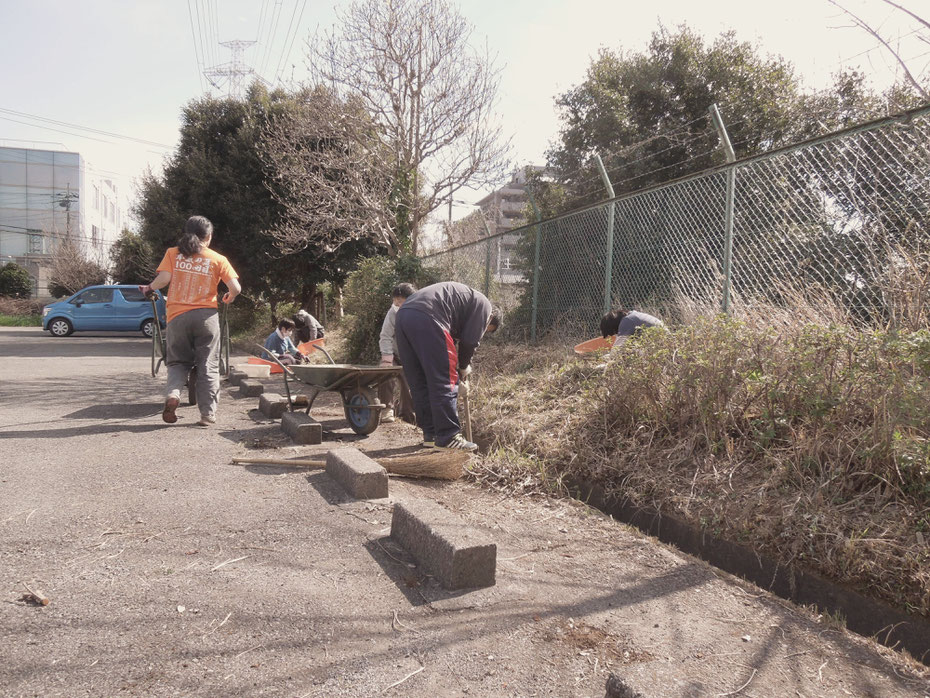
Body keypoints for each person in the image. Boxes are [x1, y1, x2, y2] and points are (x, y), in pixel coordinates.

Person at [140, 215, 240, 427]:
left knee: (177, 362)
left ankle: (174, 394)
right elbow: (235, 288)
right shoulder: (218, 259)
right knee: (208, 365)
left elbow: (164, 279)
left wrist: (149, 288)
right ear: (209, 236)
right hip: (207, 317)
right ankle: (207, 415)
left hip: (177, 317)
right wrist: (229, 296)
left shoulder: (172, 253)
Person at [395, 281, 501, 451]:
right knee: (444, 379)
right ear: (491, 318)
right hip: (429, 317)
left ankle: (431, 434)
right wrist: (463, 368)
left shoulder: (462, 304)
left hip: (403, 316)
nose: (482, 331)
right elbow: (470, 341)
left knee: (419, 380)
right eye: (486, 329)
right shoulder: (485, 306)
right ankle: (448, 436)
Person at [377, 283, 417, 424]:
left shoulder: (419, 312)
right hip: (394, 354)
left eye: (400, 301)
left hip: (411, 356)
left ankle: (408, 414)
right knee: (386, 374)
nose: (397, 304)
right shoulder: (393, 313)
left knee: (409, 385)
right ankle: (386, 408)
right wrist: (387, 359)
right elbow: (386, 336)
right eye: (395, 301)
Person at [600, 307, 664, 354]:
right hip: (663, 343)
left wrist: (606, 362)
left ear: (612, 326)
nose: (615, 333)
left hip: (659, 346)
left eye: (613, 332)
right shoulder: (631, 316)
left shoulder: (626, 321)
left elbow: (617, 350)